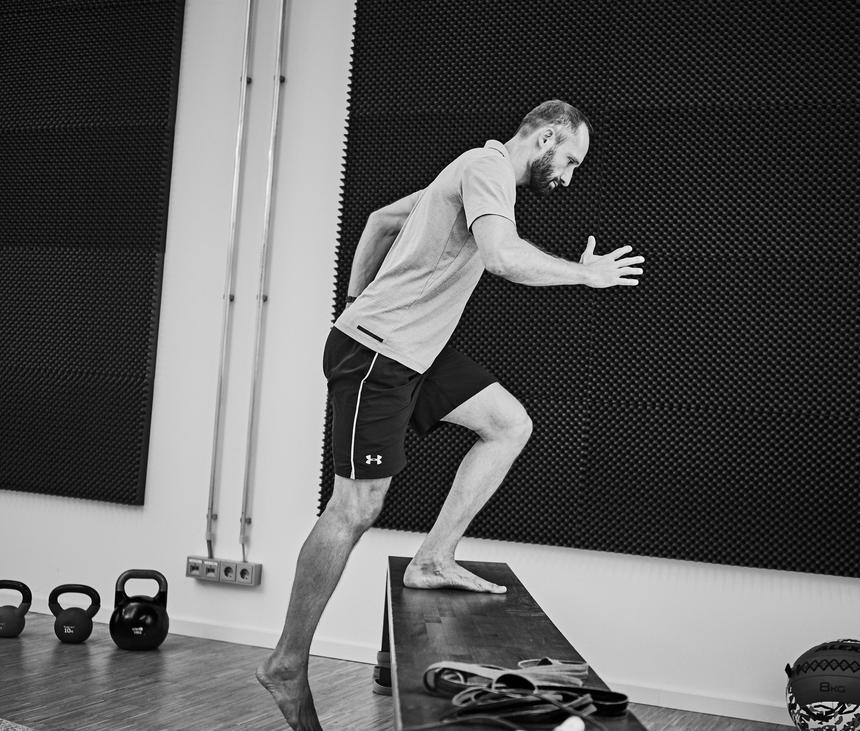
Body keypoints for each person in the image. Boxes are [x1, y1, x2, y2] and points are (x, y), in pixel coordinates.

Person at [256, 99, 643, 730]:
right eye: (570, 160)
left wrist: (357, 297)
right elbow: (501, 256)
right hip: (379, 354)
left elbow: (381, 220)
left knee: (508, 425)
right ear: (546, 137)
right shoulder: (487, 169)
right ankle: (286, 663)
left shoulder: (468, 170)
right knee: (355, 507)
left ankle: (433, 558)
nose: (569, 177)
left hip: (417, 350)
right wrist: (583, 275)